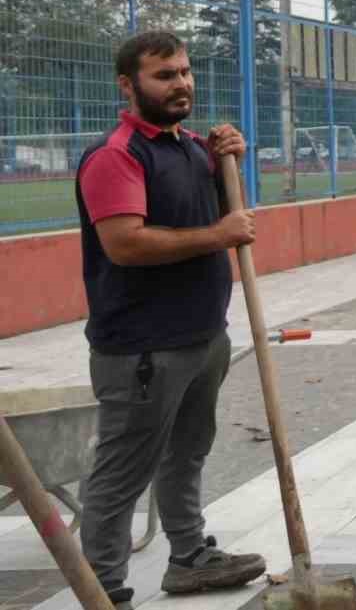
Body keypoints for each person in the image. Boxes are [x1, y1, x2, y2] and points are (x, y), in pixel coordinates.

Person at [74, 31, 267, 610]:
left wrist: (234, 163)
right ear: (128, 85)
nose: (181, 83)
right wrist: (220, 235)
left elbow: (230, 215)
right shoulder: (116, 155)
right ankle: (103, 590)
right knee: (121, 472)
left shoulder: (191, 148)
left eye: (184, 71)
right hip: (142, 349)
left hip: (202, 335)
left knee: (187, 452)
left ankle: (188, 558)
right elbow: (125, 244)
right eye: (164, 75)